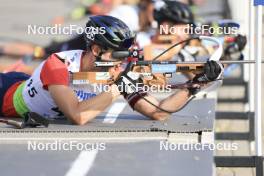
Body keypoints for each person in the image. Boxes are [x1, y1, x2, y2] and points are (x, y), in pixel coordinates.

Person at [0, 15, 223, 125]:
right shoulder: (58, 64)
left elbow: (159, 111)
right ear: (96, 49)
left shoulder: (115, 73)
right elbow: (78, 115)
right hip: (6, 94)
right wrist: (119, 88)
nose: (121, 63)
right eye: (117, 55)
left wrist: (198, 83)